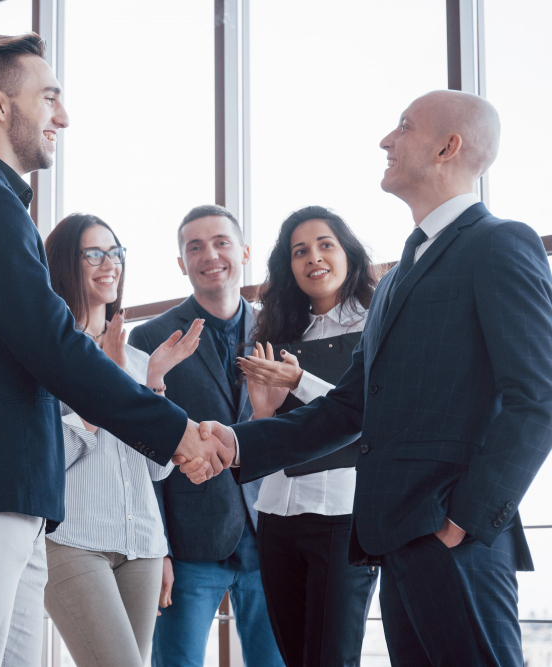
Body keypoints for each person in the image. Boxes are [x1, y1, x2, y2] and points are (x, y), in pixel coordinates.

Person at [189, 90, 552, 666]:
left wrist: (465, 518)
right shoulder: (395, 280)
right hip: (395, 541)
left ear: (448, 146)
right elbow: (349, 408)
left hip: (453, 536)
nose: (386, 140)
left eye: (403, 127)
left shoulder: (499, 244)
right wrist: (240, 441)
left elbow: (541, 397)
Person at [0, 34, 231, 667]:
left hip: (14, 495)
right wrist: (176, 430)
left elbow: (41, 358)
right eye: (49, 97)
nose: (63, 116)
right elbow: (54, 347)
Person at [41, 213, 204, 667]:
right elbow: (45, 457)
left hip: (143, 547)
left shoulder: (135, 358)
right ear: (64, 263)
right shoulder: (47, 354)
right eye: (93, 253)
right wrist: (108, 390)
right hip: (73, 540)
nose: (108, 263)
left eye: (115, 253)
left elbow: (156, 469)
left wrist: (151, 384)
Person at [130, 205, 283, 667]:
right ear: (181, 263)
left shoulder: (279, 330)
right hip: (190, 544)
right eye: (194, 247)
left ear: (244, 252)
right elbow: (140, 454)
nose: (209, 254)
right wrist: (158, 551)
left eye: (220, 242)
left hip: (271, 538)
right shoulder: (151, 338)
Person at [236, 206, 379, 666]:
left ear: (349, 255)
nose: (313, 258)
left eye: (325, 245)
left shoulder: (377, 325)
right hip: (277, 513)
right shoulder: (279, 333)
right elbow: (268, 436)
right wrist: (262, 412)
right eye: (300, 251)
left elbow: (370, 417)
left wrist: (300, 382)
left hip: (343, 515)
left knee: (331, 658)